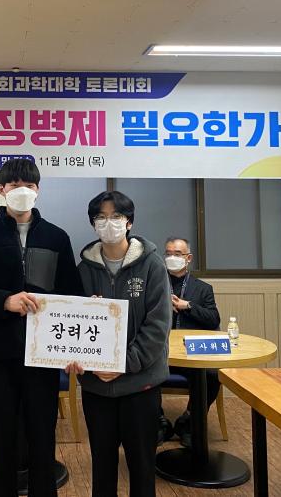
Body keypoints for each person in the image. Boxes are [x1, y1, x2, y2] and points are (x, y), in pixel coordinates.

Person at [0, 158, 83, 497]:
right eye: (14, 185)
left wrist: (76, 348)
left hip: (45, 356)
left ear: (38, 190)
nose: (22, 191)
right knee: (1, 439)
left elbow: (72, 296)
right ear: (1, 190)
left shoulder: (57, 237)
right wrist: (4, 301)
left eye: (29, 185)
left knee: (43, 437)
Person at [71, 191, 171, 497]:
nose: (109, 223)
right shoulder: (83, 270)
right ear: (93, 224)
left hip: (140, 385)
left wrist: (121, 364)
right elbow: (72, 325)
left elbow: (157, 327)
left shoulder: (152, 265)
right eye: (101, 217)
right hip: (96, 387)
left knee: (142, 467)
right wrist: (79, 360)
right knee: (102, 466)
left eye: (116, 216)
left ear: (129, 222)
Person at [161, 236, 221, 443]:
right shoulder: (155, 284)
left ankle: (189, 420)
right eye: (168, 254)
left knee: (212, 375)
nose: (172, 258)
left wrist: (187, 306)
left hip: (190, 355)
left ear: (188, 258)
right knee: (139, 369)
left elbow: (213, 319)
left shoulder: (203, 288)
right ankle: (159, 421)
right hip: (161, 354)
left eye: (177, 254)